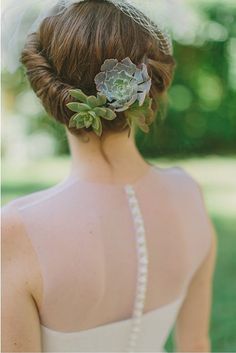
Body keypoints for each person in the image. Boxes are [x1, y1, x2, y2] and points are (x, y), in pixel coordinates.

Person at [2, 1, 217, 352]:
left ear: (48, 91)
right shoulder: (189, 194)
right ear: (148, 85)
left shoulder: (18, 230)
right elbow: (195, 344)